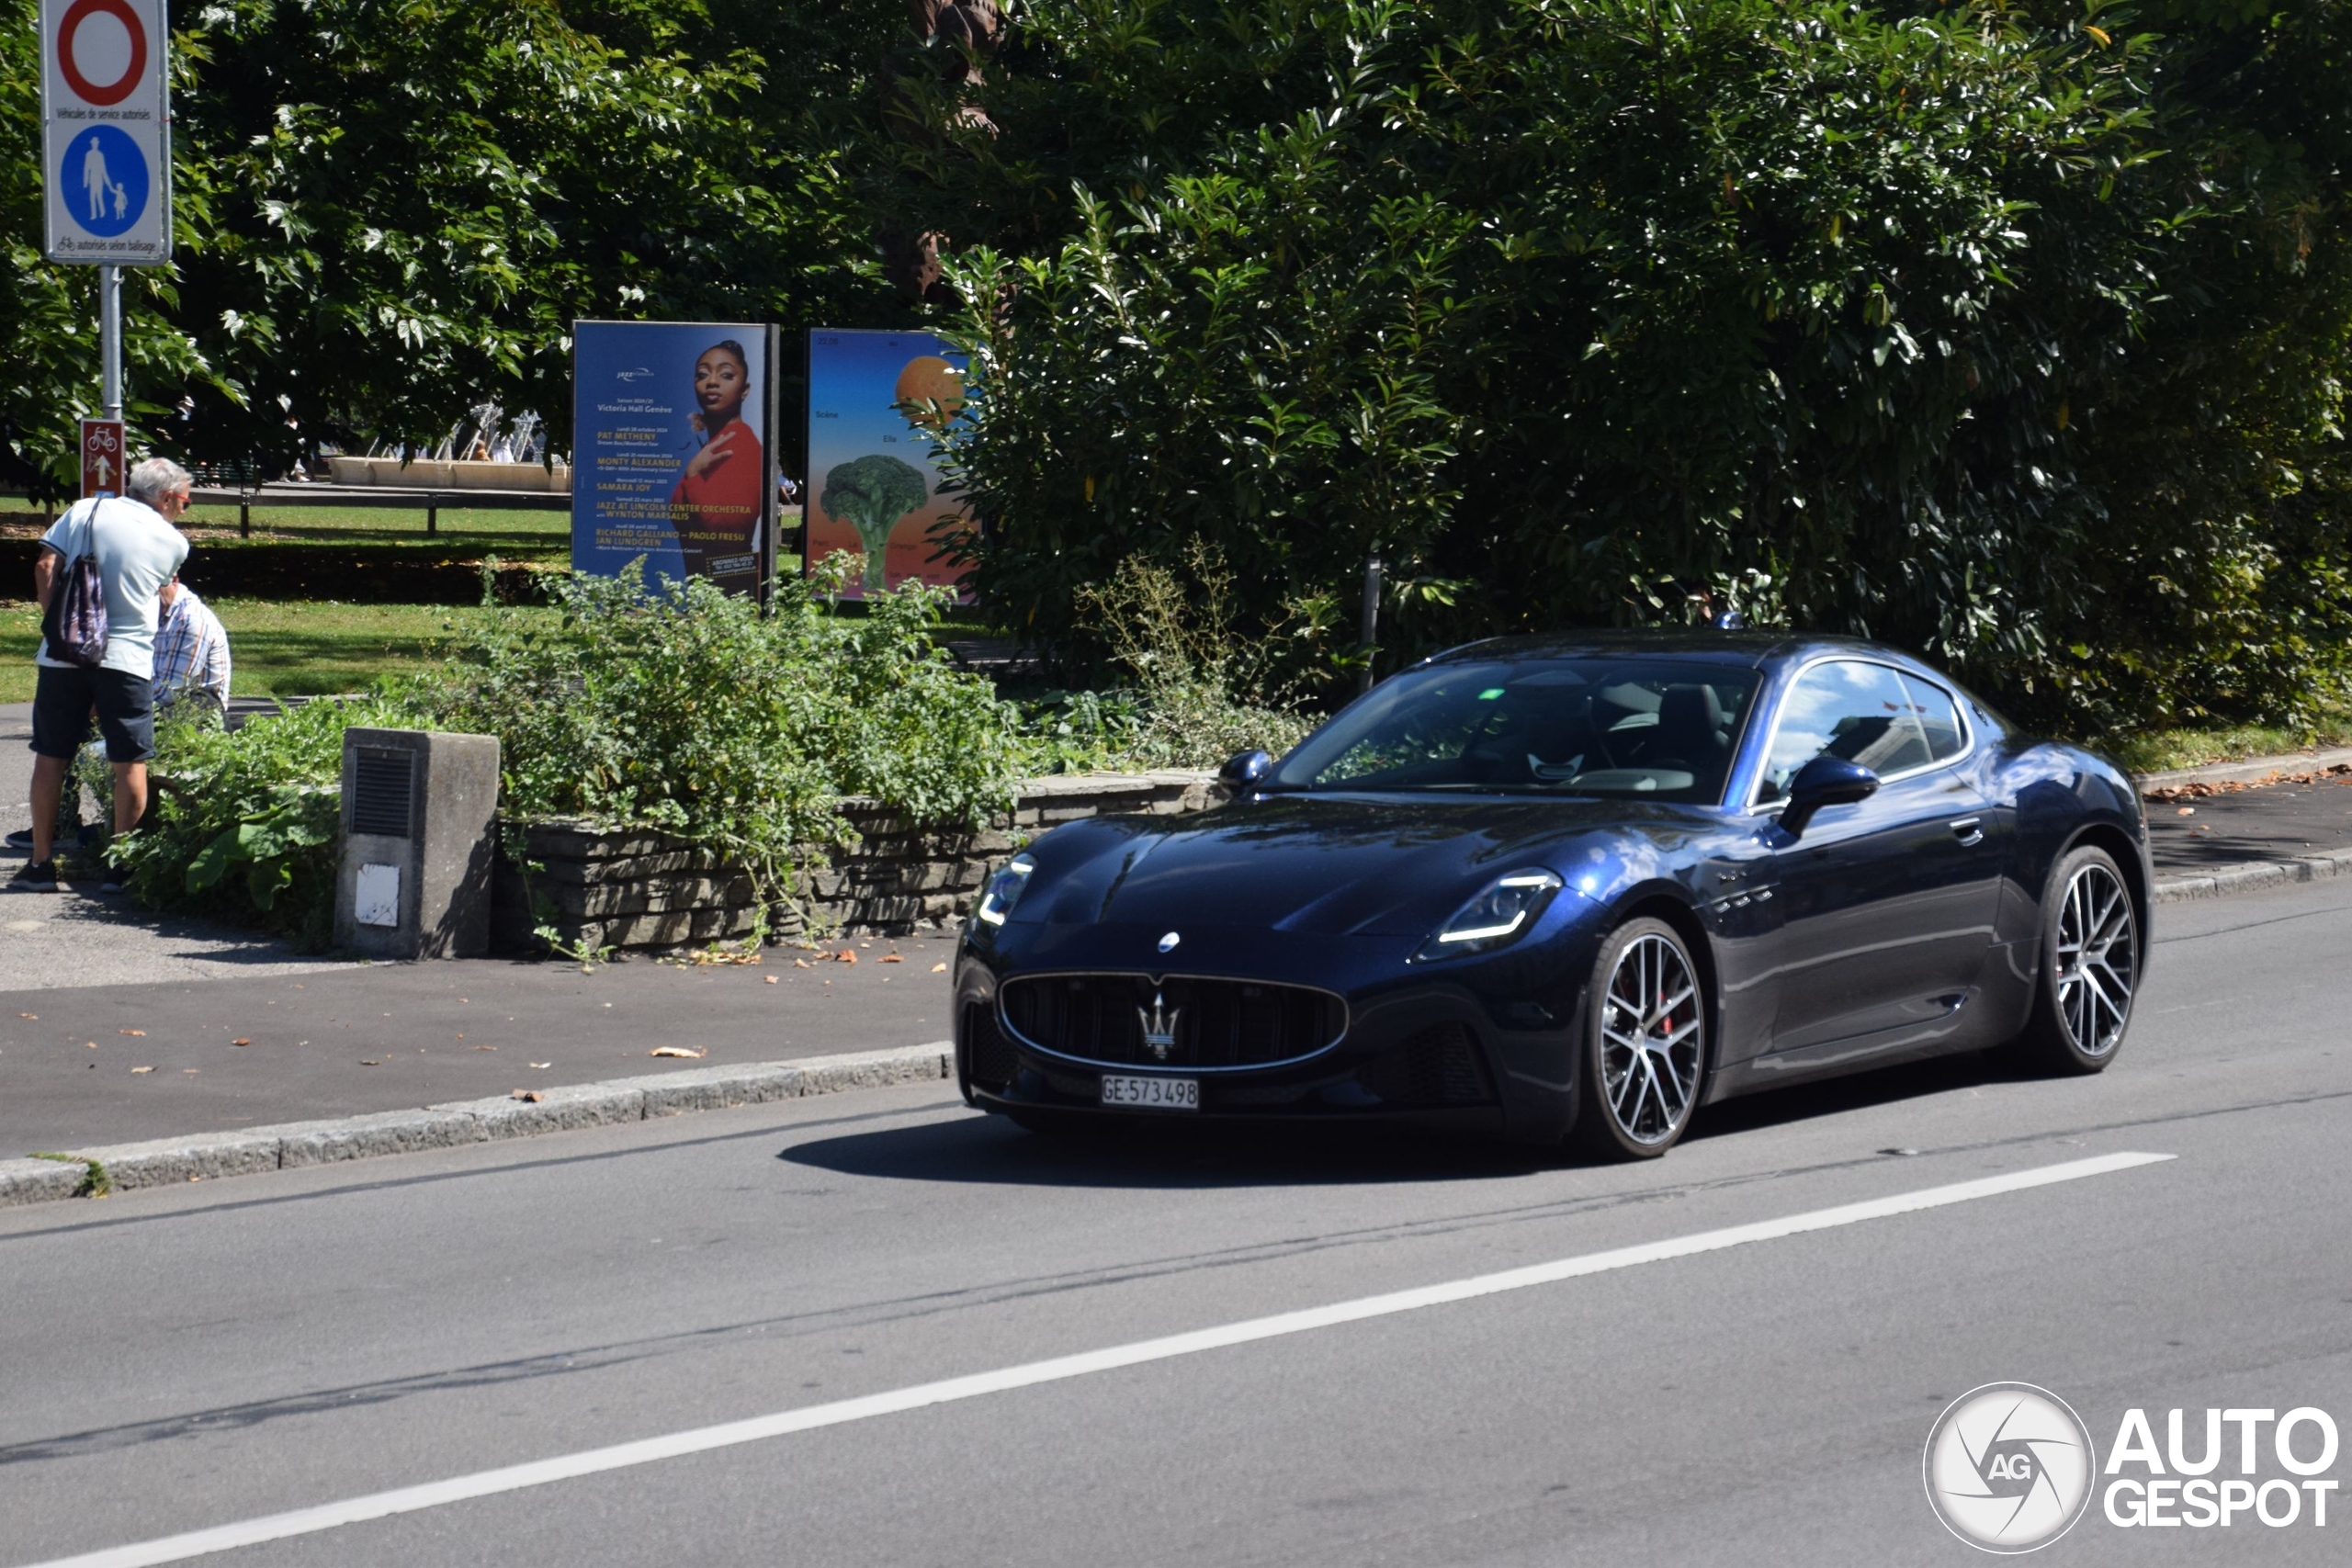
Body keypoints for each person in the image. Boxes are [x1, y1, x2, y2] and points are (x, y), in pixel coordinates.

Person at [12, 457, 193, 894]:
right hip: (126, 661)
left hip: (61, 658)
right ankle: (120, 868)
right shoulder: (174, 542)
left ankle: (40, 864)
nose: (185, 510)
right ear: (166, 498)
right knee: (129, 763)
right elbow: (163, 594)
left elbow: (43, 568)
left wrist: (61, 627)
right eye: (185, 502)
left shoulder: (84, 510)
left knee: (51, 756)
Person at [668, 341, 763, 581]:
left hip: (729, 586)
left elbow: (727, 535)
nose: (712, 381)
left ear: (745, 389)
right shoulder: (716, 446)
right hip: (709, 590)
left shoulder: (740, 443)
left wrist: (692, 477)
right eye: (702, 374)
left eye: (726, 375)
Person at [153, 578, 232, 721]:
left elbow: (171, 694)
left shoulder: (191, 621)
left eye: (147, 583)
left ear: (173, 579)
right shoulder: (153, 615)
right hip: (162, 718)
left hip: (195, 725)